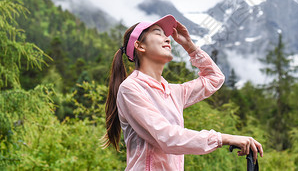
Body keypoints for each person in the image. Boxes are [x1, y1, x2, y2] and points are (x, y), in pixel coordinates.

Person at [103, 15, 263, 170]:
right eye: (158, 33)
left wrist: (189, 45)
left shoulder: (172, 92)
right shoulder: (131, 88)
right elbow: (167, 137)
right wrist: (224, 138)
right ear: (140, 46)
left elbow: (215, 78)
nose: (167, 39)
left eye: (166, 35)